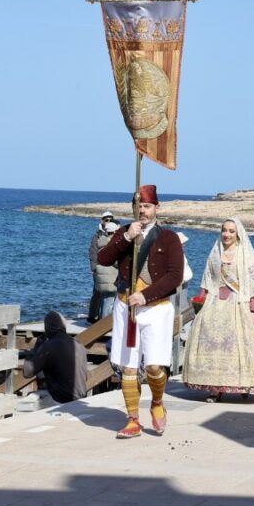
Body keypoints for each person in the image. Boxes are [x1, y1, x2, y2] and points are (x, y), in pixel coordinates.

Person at [97, 185, 184, 439]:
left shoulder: (169, 238)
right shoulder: (125, 232)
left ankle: (157, 402)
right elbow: (102, 259)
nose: (142, 211)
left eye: (147, 206)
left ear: (157, 208)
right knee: (128, 367)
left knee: (155, 366)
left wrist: (146, 294)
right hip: (126, 307)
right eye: (139, 206)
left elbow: (175, 275)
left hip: (155, 309)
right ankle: (133, 419)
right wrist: (125, 239)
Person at [183, 218, 254, 402]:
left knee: (241, 345)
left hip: (240, 304)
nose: (227, 234)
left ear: (238, 233)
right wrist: (201, 301)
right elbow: (207, 278)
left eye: (231, 231)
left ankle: (243, 384)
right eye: (224, 230)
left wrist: (252, 309)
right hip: (215, 303)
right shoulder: (215, 252)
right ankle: (215, 388)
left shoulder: (246, 255)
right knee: (214, 345)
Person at [21, 311, 87, 404]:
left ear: (47, 328)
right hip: (81, 399)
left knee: (26, 403)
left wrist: (35, 349)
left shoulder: (48, 346)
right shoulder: (78, 344)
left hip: (63, 401)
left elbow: (27, 373)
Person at [88, 215, 119, 324]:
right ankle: (103, 325)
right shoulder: (112, 245)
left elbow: (94, 255)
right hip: (109, 276)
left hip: (101, 275)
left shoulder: (100, 241)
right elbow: (114, 262)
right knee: (109, 300)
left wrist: (95, 268)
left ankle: (98, 320)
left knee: (104, 299)